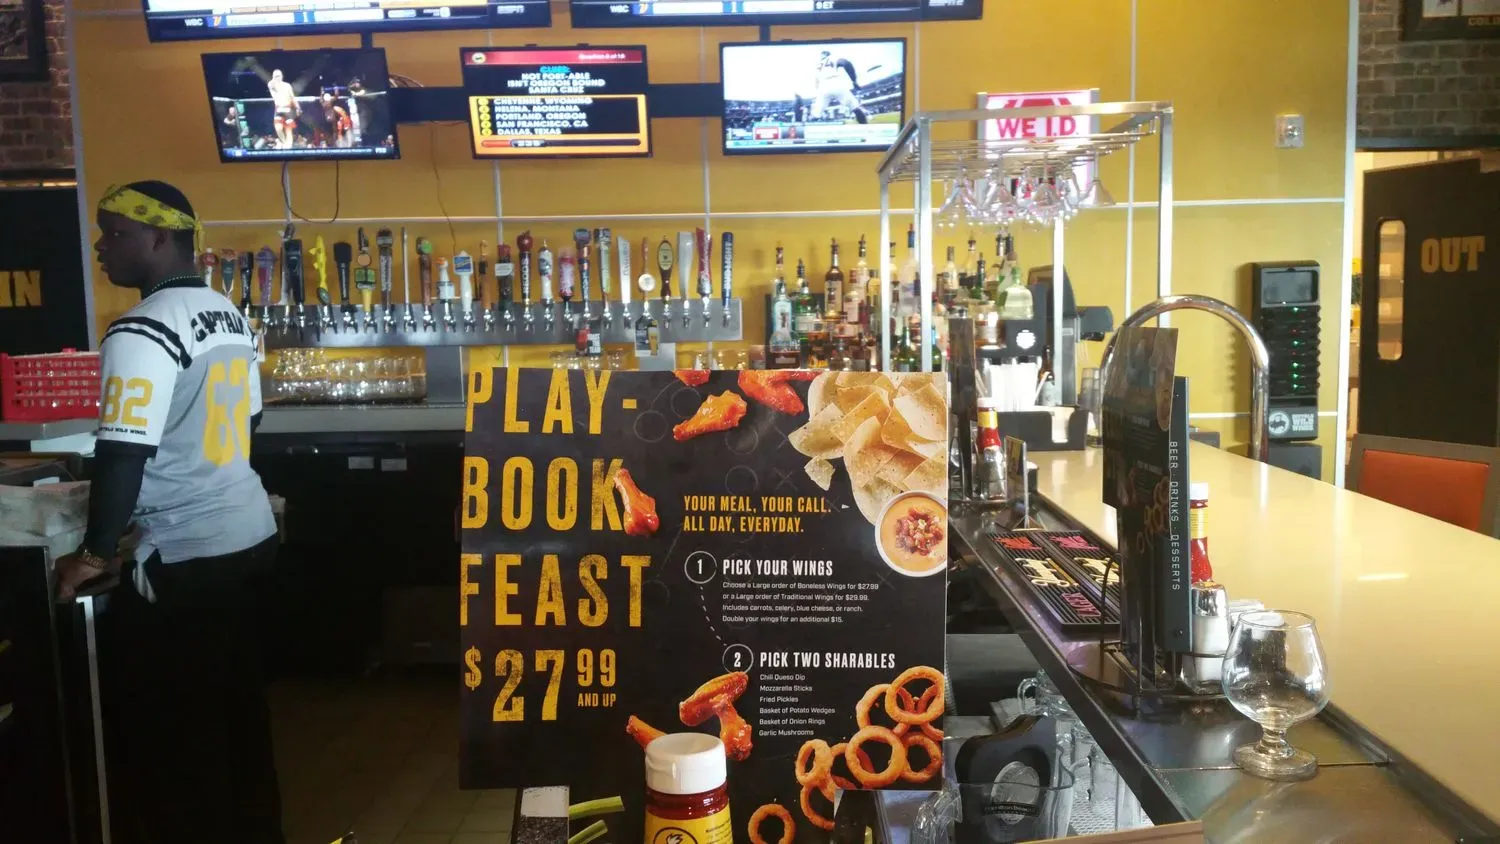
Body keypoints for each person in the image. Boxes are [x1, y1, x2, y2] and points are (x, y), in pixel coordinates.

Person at [55, 181, 284, 844]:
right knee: (239, 715)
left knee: (181, 735)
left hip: (188, 556)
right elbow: (250, 420)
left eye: (115, 233)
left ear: (159, 237)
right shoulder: (227, 313)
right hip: (248, 533)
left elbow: (123, 450)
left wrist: (94, 551)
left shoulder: (142, 327)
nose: (101, 247)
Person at [811, 50, 869, 125]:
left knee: (816, 114)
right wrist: (854, 81)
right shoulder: (832, 58)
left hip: (823, 86)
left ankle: (808, 130)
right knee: (855, 108)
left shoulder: (818, 64)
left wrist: (818, 91)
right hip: (835, 82)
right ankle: (866, 128)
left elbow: (816, 80)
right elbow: (846, 63)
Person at [268, 68, 300, 149]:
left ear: (282, 76)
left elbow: (292, 97)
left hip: (287, 109)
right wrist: (274, 78)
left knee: (288, 130)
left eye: (278, 76)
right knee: (278, 128)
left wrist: (297, 107)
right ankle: (284, 142)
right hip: (278, 109)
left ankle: (288, 146)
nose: (277, 77)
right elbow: (271, 85)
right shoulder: (272, 85)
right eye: (275, 76)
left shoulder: (287, 85)